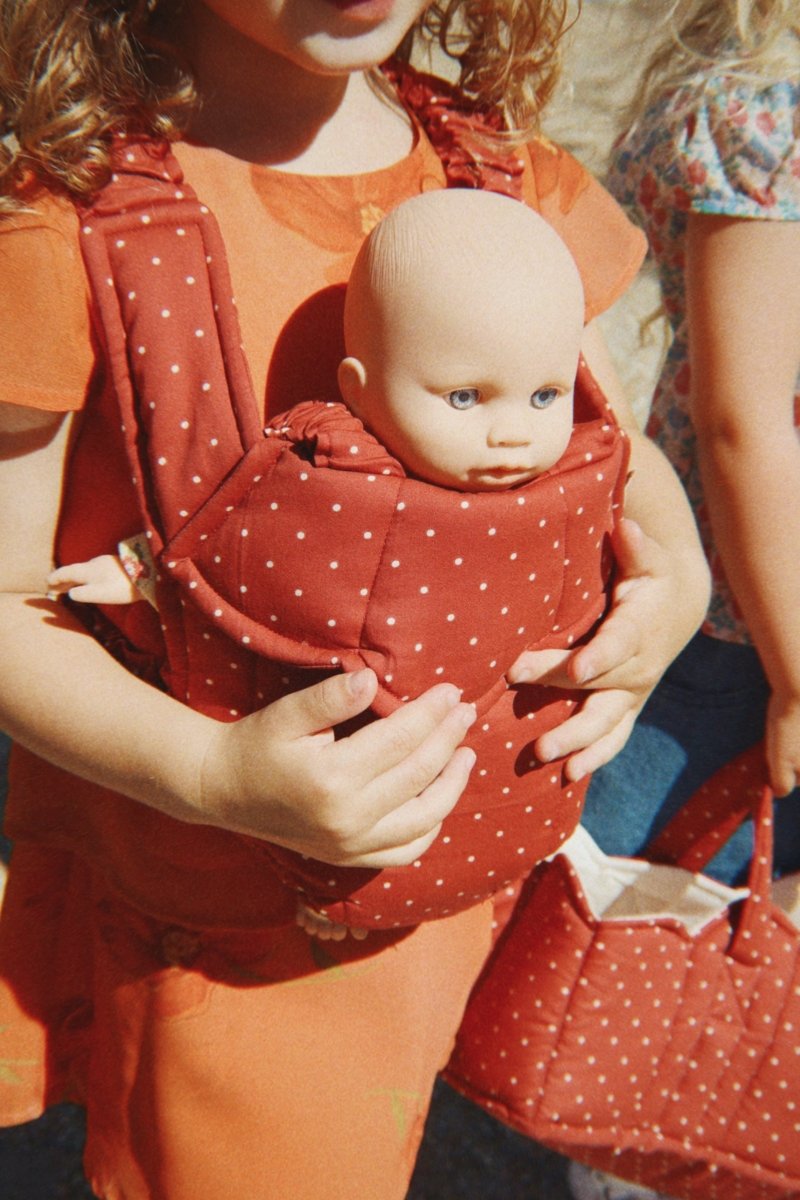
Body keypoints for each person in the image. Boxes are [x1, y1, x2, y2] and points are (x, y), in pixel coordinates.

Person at [0, 2, 709, 1197]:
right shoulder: (65, 223)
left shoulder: (496, 175)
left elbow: (604, 446)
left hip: (472, 861)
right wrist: (212, 775)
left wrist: (673, 573)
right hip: (225, 916)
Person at [48, 187, 629, 940]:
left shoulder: (570, 472)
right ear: (357, 390)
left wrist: (672, 582)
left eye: (547, 394)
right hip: (269, 842)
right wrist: (138, 574)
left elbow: (627, 507)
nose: (514, 433)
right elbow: (239, 561)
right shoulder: (331, 484)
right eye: (465, 398)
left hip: (519, 792)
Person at [570, 1, 800, 1197]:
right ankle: (631, 1142)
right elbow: (741, 420)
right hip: (749, 623)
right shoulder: (769, 112)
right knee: (654, 908)